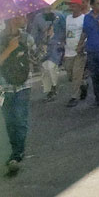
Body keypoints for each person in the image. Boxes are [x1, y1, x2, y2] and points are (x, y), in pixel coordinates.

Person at [0, 15, 35, 174]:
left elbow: (36, 58)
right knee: (9, 121)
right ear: (13, 19)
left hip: (23, 84)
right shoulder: (1, 38)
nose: (25, 18)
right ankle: (16, 148)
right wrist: (9, 49)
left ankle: (17, 153)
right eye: (21, 16)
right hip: (4, 86)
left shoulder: (27, 37)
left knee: (20, 119)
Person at [64, 0, 88, 107]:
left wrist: (82, 46)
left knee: (76, 75)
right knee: (69, 73)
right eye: (70, 5)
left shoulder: (84, 19)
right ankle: (83, 84)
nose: (71, 7)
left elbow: (85, 33)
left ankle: (74, 97)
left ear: (79, 6)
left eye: (73, 5)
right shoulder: (68, 18)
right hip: (68, 51)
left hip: (79, 51)